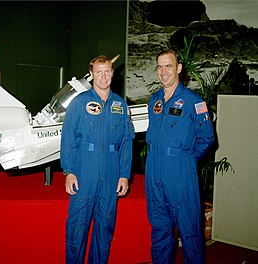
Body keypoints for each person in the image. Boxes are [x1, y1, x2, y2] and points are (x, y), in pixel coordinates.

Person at [60, 55, 135, 264]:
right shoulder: (79, 103)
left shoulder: (120, 105)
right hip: (84, 174)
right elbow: (68, 139)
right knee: (77, 230)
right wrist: (69, 171)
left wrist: (123, 175)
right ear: (91, 74)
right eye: (99, 72)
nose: (103, 77)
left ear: (113, 73)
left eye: (107, 71)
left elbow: (127, 141)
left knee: (104, 232)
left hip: (111, 175)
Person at [144, 49, 214, 263]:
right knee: (160, 229)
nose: (164, 72)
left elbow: (207, 138)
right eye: (160, 66)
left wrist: (187, 160)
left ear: (179, 69)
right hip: (154, 170)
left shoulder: (193, 101)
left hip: (180, 171)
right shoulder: (154, 100)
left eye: (169, 66)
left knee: (189, 231)